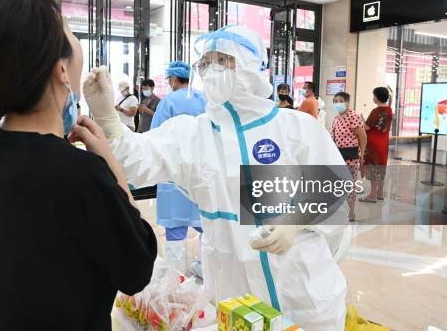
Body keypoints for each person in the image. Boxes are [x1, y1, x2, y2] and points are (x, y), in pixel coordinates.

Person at [84, 25, 350, 331]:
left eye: (223, 60)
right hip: (236, 296)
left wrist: (294, 221)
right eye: (205, 62)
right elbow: (135, 160)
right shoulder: (192, 133)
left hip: (304, 290)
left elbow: (334, 185)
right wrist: (107, 119)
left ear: (250, 65)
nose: (213, 69)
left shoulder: (296, 127)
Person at [0, 0, 156, 330]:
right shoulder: (81, 174)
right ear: (61, 69)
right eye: (71, 32)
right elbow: (137, 268)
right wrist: (110, 164)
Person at [151, 61, 207, 271]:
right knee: (206, 223)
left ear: (173, 79)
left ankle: (174, 275)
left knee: (175, 225)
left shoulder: (169, 103)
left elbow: (155, 136)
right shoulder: (204, 99)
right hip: (202, 171)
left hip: (174, 172)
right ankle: (203, 267)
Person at [331, 92, 367, 221]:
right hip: (338, 156)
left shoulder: (354, 116)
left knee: (350, 185)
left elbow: (363, 137)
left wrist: (362, 154)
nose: (337, 104)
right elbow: (333, 137)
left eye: (340, 101)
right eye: (335, 101)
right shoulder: (336, 118)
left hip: (351, 156)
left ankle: (351, 212)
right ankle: (340, 210)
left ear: (347, 102)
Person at [360, 87, 393, 203]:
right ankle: (380, 193)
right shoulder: (389, 110)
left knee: (373, 167)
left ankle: (372, 195)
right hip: (384, 142)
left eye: (374, 95)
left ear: (377, 97)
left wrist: (361, 119)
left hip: (373, 143)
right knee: (381, 166)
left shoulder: (376, 111)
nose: (373, 98)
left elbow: (367, 127)